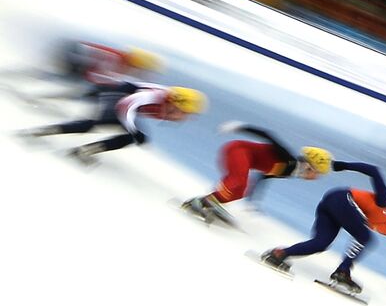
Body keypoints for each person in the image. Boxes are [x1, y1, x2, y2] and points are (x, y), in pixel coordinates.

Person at [260, 162, 386, 294]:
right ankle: (342, 271)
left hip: (333, 206)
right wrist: (343, 165)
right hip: (340, 199)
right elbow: (374, 171)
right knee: (365, 237)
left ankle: (279, 254)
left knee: (320, 243)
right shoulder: (385, 201)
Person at [181, 123, 333, 226]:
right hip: (237, 150)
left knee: (241, 192)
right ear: (309, 166)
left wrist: (252, 201)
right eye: (317, 173)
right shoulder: (288, 159)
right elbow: (268, 135)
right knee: (239, 180)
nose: (316, 178)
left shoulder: (289, 171)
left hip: (243, 158)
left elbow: (262, 178)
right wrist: (239, 127)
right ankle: (205, 201)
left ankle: (206, 202)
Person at [20, 84, 206, 163]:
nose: (185, 118)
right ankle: (42, 131)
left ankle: (83, 150)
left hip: (125, 98)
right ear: (176, 104)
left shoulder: (169, 104)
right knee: (99, 123)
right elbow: (126, 107)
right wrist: (134, 131)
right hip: (118, 95)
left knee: (130, 136)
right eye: (185, 113)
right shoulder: (154, 97)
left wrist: (134, 133)